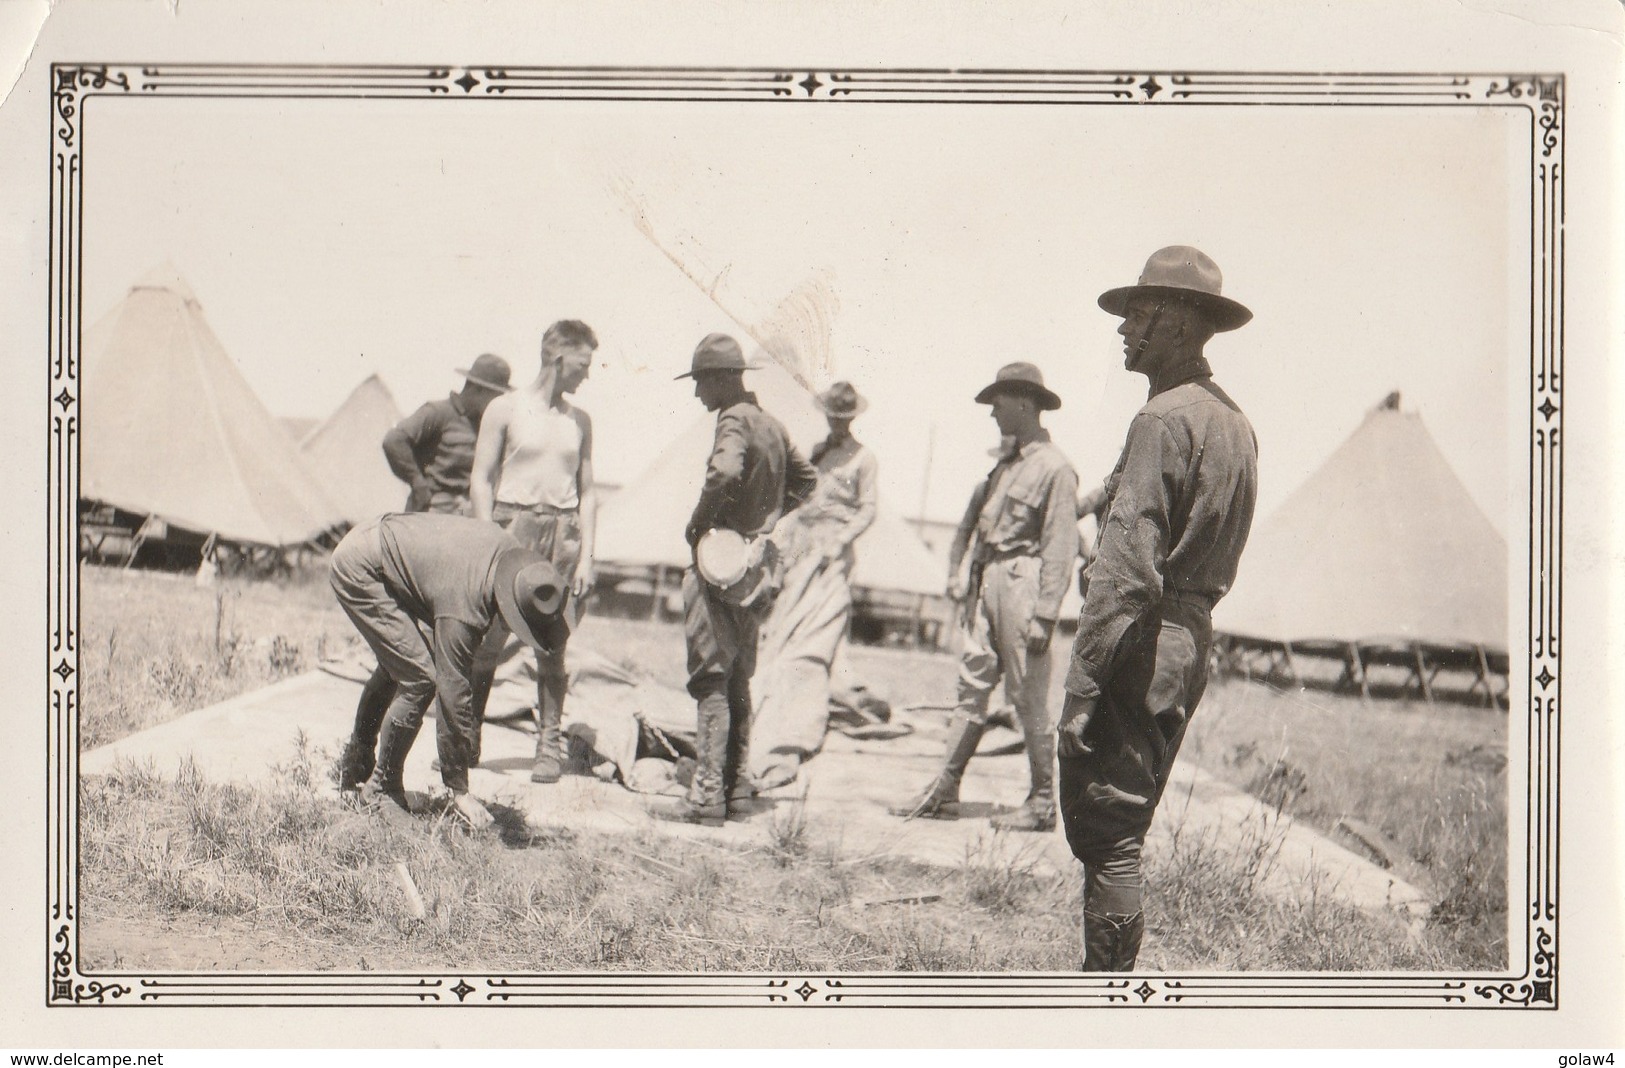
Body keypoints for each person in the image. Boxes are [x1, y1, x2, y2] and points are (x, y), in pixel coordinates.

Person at [1057, 246, 1258, 971]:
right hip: (1187, 640)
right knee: (1125, 824)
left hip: (1141, 641)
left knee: (1108, 833)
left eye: (1135, 315)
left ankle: (1103, 1004)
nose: (1122, 330)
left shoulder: (1163, 421)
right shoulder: (1227, 422)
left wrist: (1081, 688)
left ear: (1171, 323)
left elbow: (1124, 574)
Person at [890, 362, 1080, 832]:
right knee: (972, 687)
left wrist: (1046, 613)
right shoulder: (1006, 467)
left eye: (999, 402)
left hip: (1024, 582)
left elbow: (1060, 542)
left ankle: (1040, 803)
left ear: (1024, 402)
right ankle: (944, 789)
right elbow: (978, 531)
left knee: (1028, 695)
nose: (993, 412)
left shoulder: (1055, 468)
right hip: (992, 582)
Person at [651, 333, 818, 825]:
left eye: (702, 381)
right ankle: (736, 787)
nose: (698, 392)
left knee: (711, 679)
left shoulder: (734, 420)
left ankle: (706, 795)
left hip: (719, 563)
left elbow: (723, 473)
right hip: (754, 569)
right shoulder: (771, 424)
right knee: (739, 678)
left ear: (724, 379)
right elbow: (806, 482)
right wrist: (766, 525)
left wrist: (702, 523)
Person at [330, 513, 565, 830]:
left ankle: (358, 761)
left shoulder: (512, 560)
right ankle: (382, 789)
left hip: (377, 543)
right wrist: (459, 789)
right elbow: (453, 689)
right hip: (362, 566)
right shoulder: (467, 604)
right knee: (419, 677)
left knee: (400, 661)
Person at [468, 320, 599, 783]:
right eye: (583, 363)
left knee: (552, 644)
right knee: (486, 640)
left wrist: (586, 556)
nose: (587, 374)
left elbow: (587, 492)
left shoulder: (579, 421)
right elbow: (481, 479)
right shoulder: (504, 409)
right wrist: (487, 538)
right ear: (558, 358)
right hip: (510, 525)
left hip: (560, 533)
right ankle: (467, 736)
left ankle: (548, 747)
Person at [748, 381, 879, 791]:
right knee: (781, 632)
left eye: (843, 418)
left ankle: (801, 716)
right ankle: (769, 706)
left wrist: (838, 543)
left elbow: (868, 508)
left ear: (853, 417)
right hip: (803, 548)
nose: (836, 424)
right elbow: (799, 496)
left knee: (817, 636)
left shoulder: (863, 458)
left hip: (832, 555)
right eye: (831, 417)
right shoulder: (818, 452)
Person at [381, 353, 513, 515]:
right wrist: (418, 483)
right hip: (434, 509)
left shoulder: (488, 424)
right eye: (495, 396)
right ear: (477, 388)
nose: (498, 403)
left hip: (469, 512)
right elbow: (394, 440)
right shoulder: (438, 412)